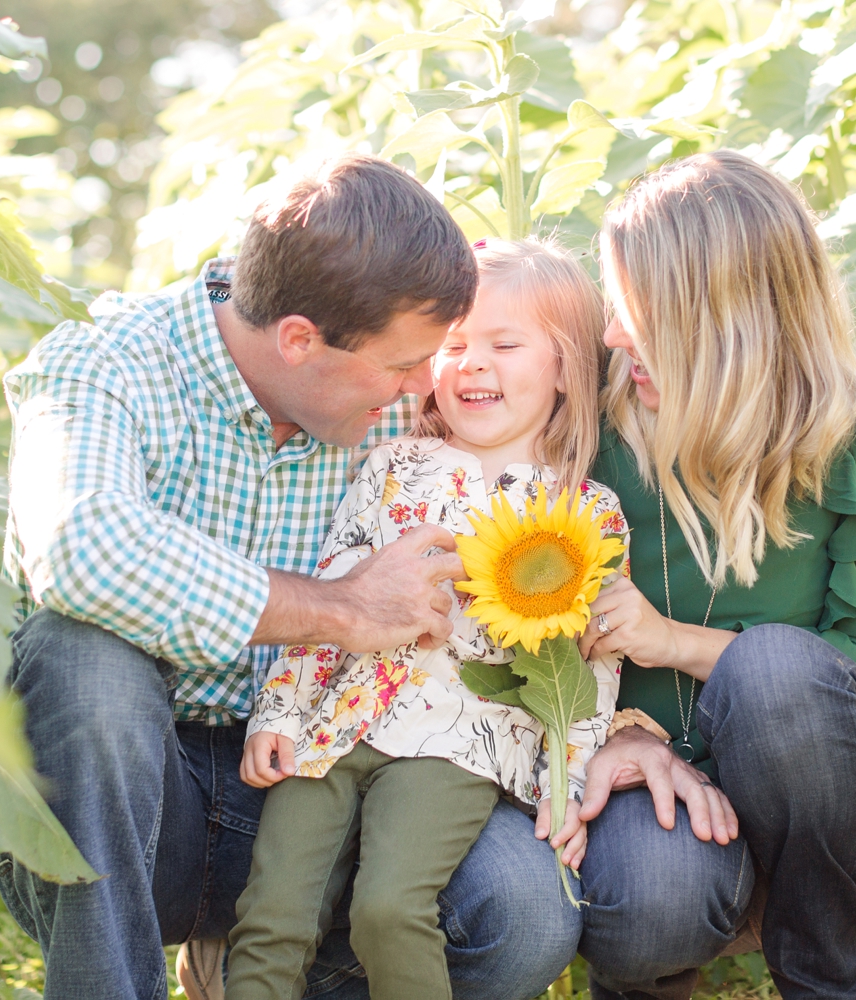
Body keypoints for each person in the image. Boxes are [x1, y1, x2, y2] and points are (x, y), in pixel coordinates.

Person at [0, 156, 579, 1000]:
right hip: (128, 809)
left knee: (521, 911)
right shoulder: (104, 363)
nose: (429, 386)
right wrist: (341, 608)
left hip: (331, 785)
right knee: (80, 659)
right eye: (405, 365)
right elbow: (80, 547)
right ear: (300, 338)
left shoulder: (398, 396)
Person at [572, 151, 856, 1000]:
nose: (612, 336)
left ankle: (827, 980)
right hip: (656, 783)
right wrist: (619, 733)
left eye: (638, 313)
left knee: (778, 675)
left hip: (844, 817)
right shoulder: (594, 416)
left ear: (728, 323)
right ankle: (650, 969)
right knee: (647, 904)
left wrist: (671, 642)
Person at [225, 238, 626, 1000]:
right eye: (452, 346)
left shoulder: (586, 513)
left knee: (389, 909)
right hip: (339, 717)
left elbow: (589, 665)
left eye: (504, 345)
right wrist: (279, 709)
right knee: (273, 911)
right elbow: (330, 587)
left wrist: (562, 781)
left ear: (567, 366)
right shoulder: (391, 469)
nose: (472, 364)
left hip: (458, 742)